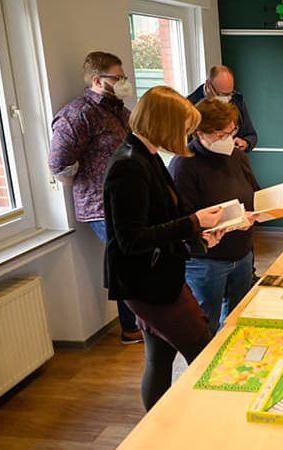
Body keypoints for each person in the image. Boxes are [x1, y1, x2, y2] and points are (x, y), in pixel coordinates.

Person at [103, 86, 226, 411]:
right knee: (205, 353)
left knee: (159, 358)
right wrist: (194, 222)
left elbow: (164, 218)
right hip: (148, 284)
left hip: (159, 276)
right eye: (184, 128)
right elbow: (132, 239)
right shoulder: (129, 166)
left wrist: (199, 236)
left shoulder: (148, 155)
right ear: (163, 124)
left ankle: (156, 428)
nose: (186, 135)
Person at [48, 51, 142, 344]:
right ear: (98, 81)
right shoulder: (78, 114)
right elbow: (59, 163)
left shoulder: (119, 111)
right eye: (118, 77)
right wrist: (94, 181)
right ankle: (132, 327)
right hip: (101, 204)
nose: (124, 82)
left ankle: (139, 322)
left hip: (128, 198)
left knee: (134, 259)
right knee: (127, 261)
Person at [169, 98, 261, 334]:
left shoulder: (236, 156)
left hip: (242, 253)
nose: (229, 139)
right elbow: (182, 219)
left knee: (236, 322)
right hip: (207, 261)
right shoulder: (184, 164)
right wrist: (228, 222)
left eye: (232, 131)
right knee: (204, 326)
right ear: (200, 132)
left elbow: (253, 191)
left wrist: (257, 213)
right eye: (221, 134)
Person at [187, 65, 258, 152]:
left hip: (233, 157)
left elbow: (251, 135)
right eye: (222, 94)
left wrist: (245, 143)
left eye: (230, 93)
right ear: (208, 85)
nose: (227, 97)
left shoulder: (236, 100)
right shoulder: (189, 107)